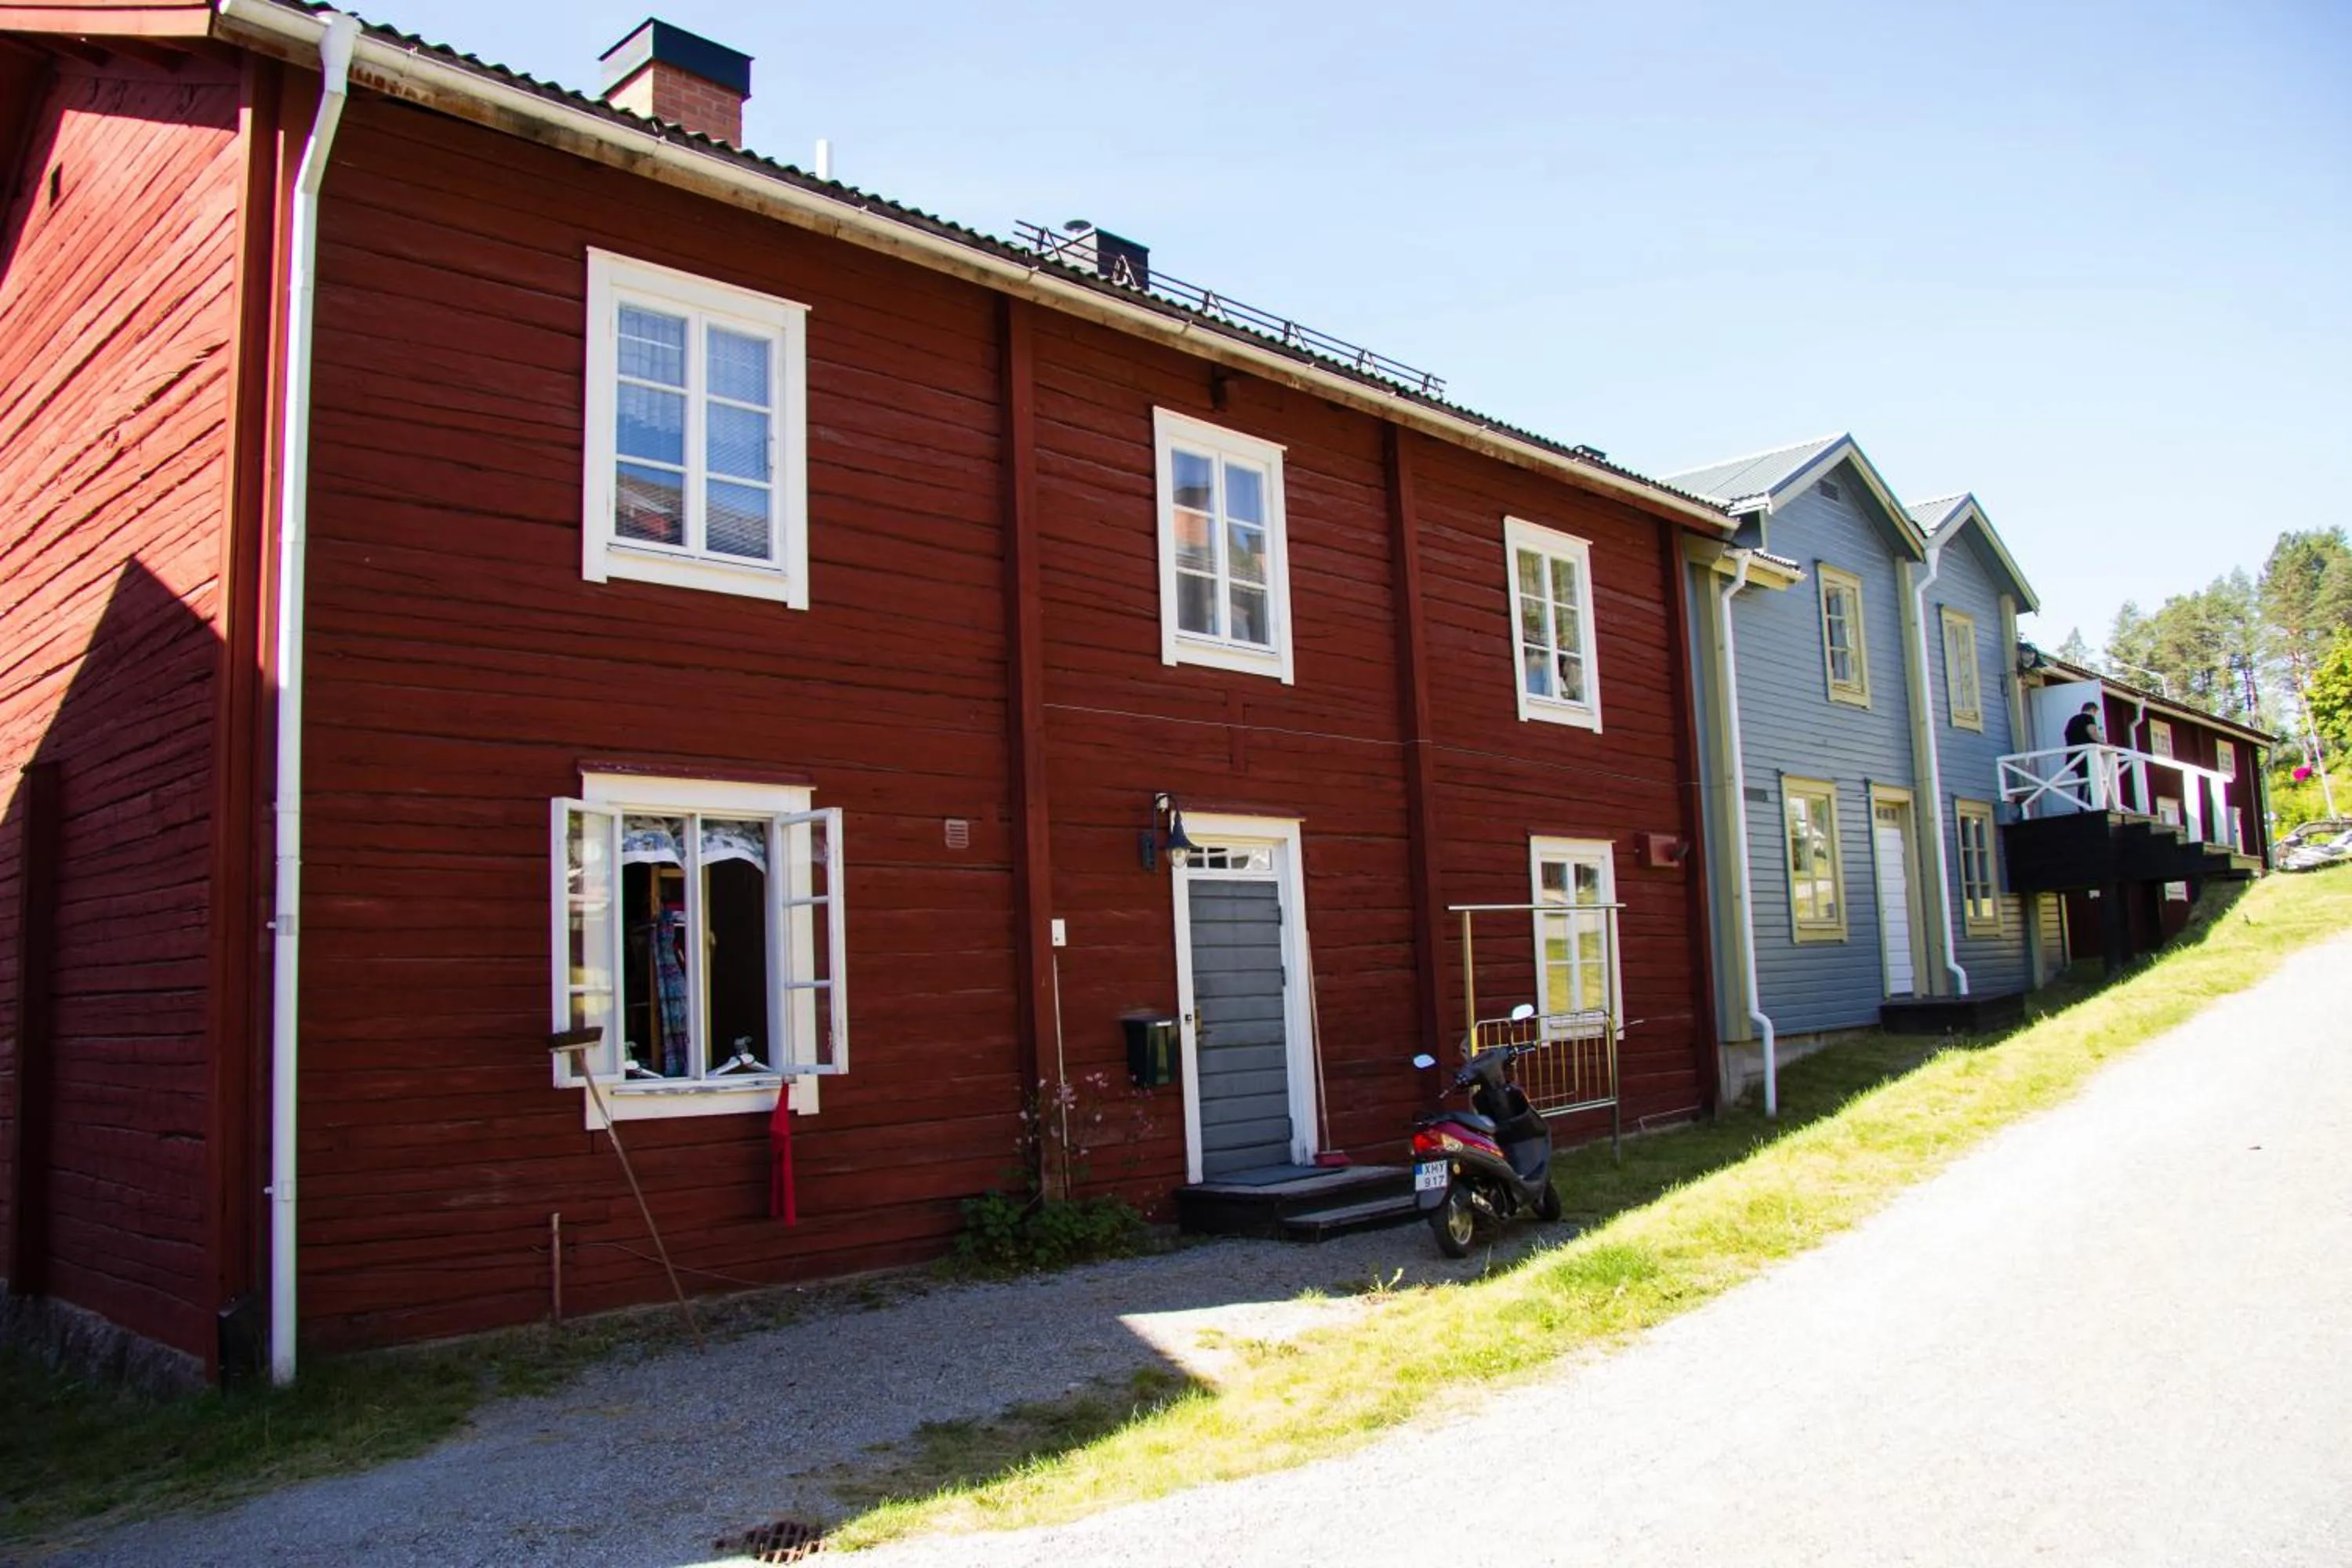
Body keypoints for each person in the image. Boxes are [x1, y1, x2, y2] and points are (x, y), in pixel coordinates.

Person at [2063, 701, 2104, 804]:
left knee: (2082, 781)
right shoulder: (2088, 718)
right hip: (2087, 756)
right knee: (2092, 780)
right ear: (2092, 710)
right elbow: (2092, 733)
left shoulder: (2072, 720)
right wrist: (2105, 743)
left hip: (2075, 756)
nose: (2095, 715)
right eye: (2095, 712)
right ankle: (2092, 804)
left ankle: (2082, 806)